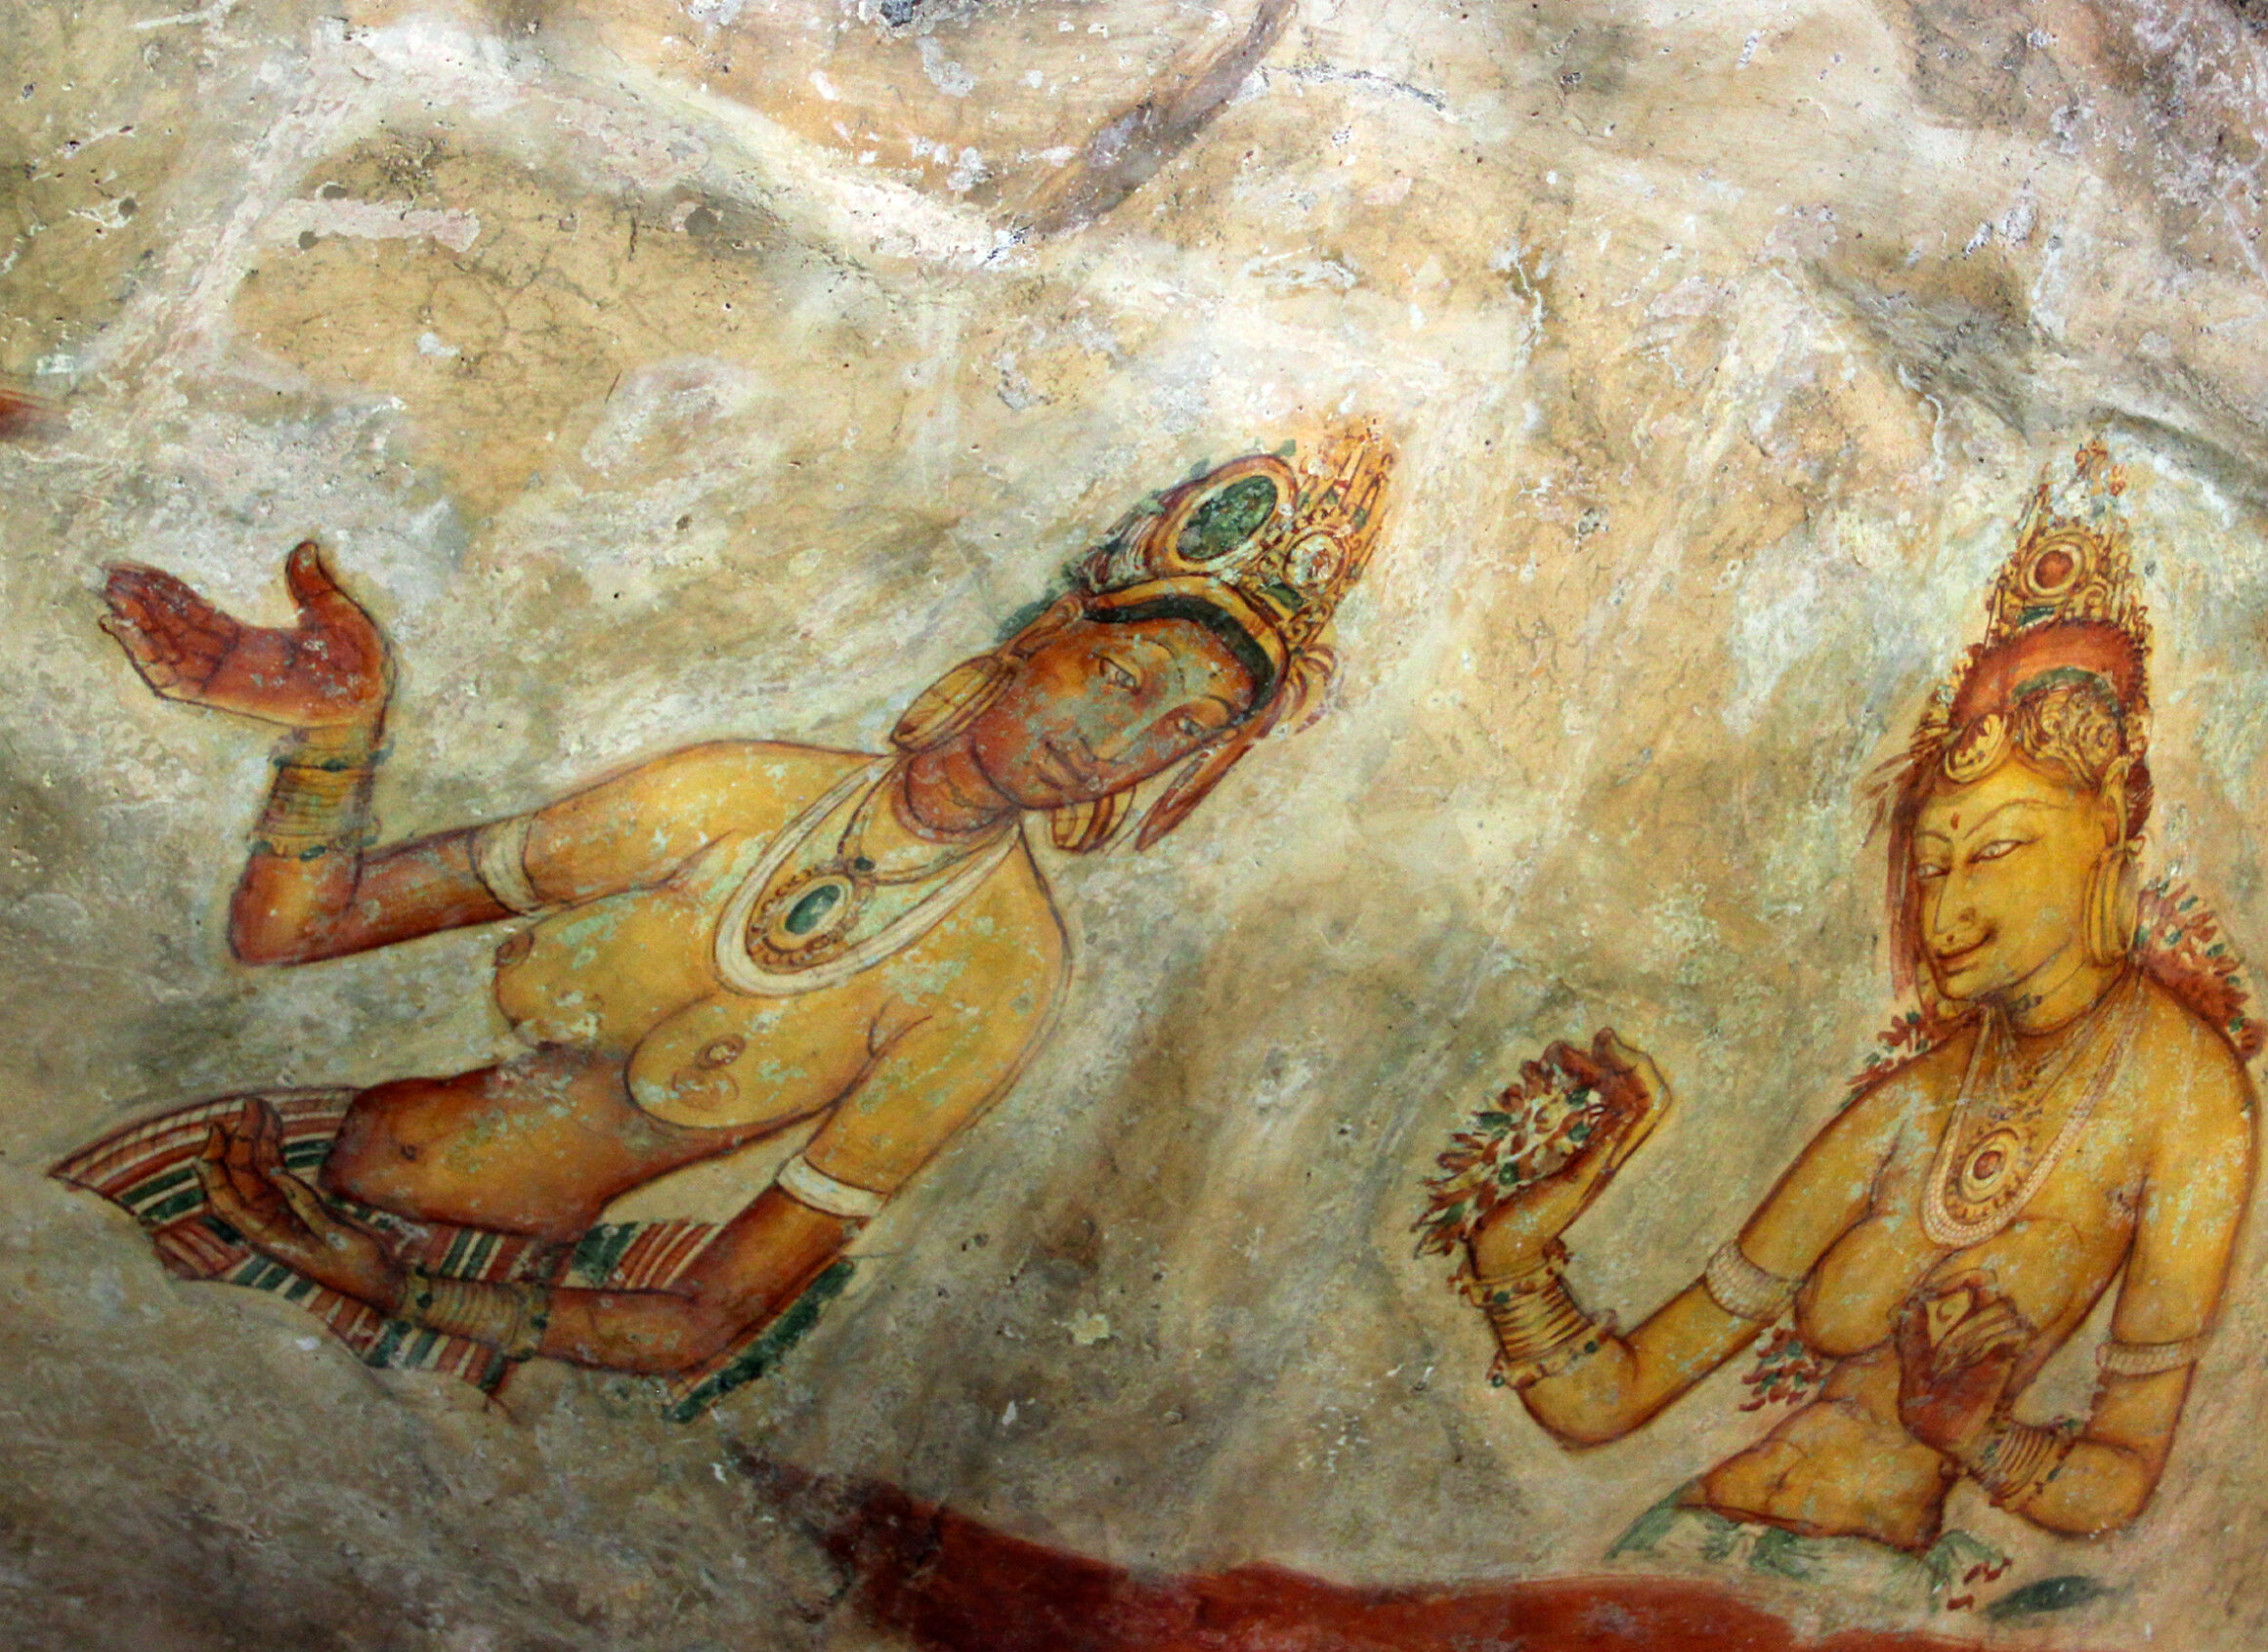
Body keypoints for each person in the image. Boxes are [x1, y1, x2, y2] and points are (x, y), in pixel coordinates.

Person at [58, 421, 1393, 1415]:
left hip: (447, 1309)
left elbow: (707, 1316)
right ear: (1041, 638)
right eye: (1117, 676)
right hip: (265, 1168)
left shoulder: (995, 978)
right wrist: (337, 739)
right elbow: (299, 928)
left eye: (1184, 728)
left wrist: (388, 1287)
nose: (1119, 739)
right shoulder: (729, 790)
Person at [1449, 443, 2259, 1559]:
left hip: (1868, 1610)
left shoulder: (2186, 1095)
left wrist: (1976, 1437)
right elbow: (1610, 1399)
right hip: (1683, 1548)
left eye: (1999, 851)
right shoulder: (1915, 1102)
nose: (1946, 908)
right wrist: (1513, 1262)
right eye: (1931, 863)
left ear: (2104, 838)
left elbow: (2116, 1484)